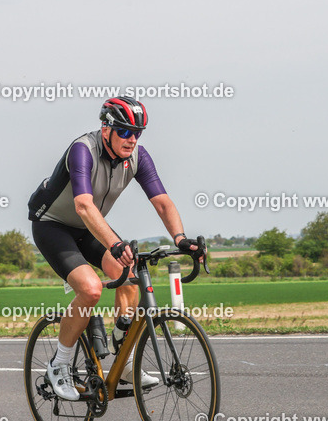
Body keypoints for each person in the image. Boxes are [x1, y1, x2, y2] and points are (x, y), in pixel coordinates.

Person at [28, 96, 200, 400]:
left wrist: (180, 238)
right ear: (105, 128)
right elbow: (83, 204)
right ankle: (60, 364)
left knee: (129, 273)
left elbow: (162, 202)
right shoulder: (83, 151)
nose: (131, 139)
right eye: (124, 131)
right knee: (91, 290)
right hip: (53, 225)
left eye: (137, 133)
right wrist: (115, 243)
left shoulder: (138, 157)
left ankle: (123, 359)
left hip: (89, 227)